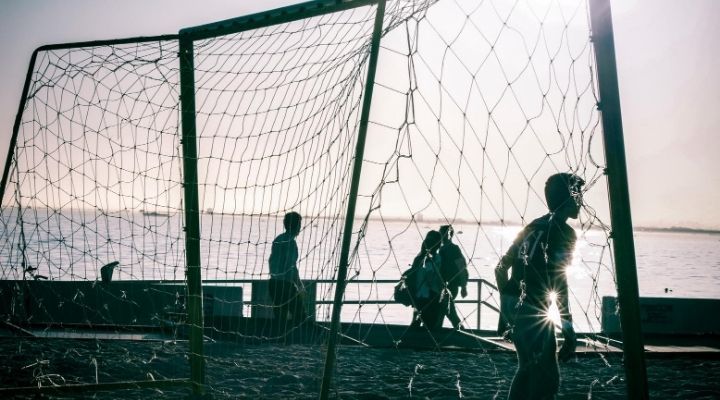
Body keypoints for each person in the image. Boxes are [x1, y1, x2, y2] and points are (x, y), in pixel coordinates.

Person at [496, 173, 584, 400]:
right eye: (578, 195)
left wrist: (507, 302)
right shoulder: (564, 232)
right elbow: (559, 282)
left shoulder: (533, 226)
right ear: (569, 198)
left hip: (514, 304)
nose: (581, 201)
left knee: (526, 368)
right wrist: (568, 328)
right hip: (532, 308)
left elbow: (500, 268)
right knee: (547, 378)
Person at [268, 211, 307, 325]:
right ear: (297, 225)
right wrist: (300, 285)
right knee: (300, 315)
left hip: (273, 283)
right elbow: (291, 267)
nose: (300, 227)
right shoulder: (291, 243)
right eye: (299, 224)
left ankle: (280, 339)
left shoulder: (278, 239)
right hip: (285, 286)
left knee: (281, 318)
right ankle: (294, 340)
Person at [406, 230, 445, 330]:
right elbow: (433, 279)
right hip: (431, 295)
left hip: (419, 294)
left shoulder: (418, 259)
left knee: (416, 321)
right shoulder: (436, 259)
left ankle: (411, 341)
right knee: (430, 323)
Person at [438, 225, 468, 329]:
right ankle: (459, 330)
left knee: (446, 311)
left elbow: (461, 267)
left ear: (449, 235)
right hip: (443, 285)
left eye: (442, 234)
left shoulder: (454, 249)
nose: (441, 237)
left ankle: (460, 331)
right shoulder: (441, 249)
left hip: (451, 285)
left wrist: (464, 287)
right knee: (445, 311)